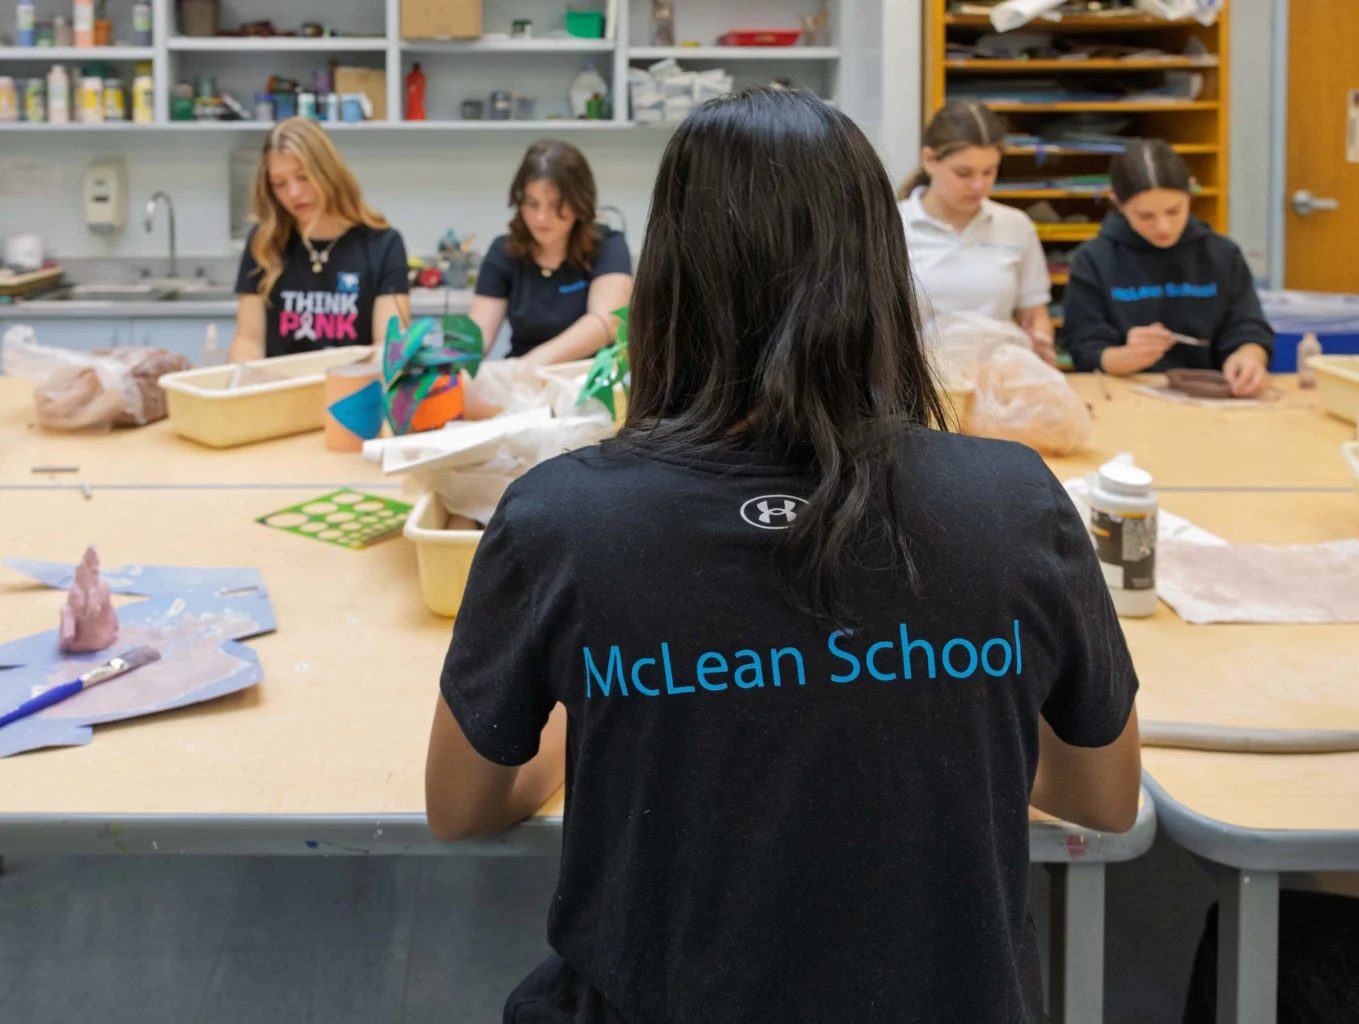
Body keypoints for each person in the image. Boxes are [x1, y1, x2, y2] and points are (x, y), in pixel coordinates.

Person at [426, 88, 1141, 1024]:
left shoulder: (562, 520)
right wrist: (938, 701)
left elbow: (460, 806)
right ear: (881, 266)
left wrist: (598, 712)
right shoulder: (1010, 503)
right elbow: (1104, 796)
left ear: (670, 277)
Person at [1064, 139, 1273, 396]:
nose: (1163, 227)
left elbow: (1248, 327)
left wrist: (1249, 356)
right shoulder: (1094, 259)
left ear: (1191, 191)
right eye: (1146, 216)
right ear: (1116, 202)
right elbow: (1084, 349)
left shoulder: (1222, 254)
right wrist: (1127, 356)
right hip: (1125, 398)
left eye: (1174, 210)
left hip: (1213, 398)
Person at [230, 118, 409, 362]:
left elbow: (389, 347)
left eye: (303, 177)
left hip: (354, 394)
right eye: (279, 184)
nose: (293, 193)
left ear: (329, 173)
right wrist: (244, 371)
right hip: (281, 393)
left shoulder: (383, 245)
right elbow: (248, 340)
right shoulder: (263, 242)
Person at [898, 101, 1056, 365]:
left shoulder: (1016, 226)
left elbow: (1034, 314)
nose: (978, 185)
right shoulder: (893, 225)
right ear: (929, 160)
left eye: (989, 171)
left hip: (998, 378)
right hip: (917, 380)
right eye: (963, 173)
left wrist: (1040, 337)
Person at [469, 140, 634, 365]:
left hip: (588, 383)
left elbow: (608, 322)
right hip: (522, 386)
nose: (541, 218)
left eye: (556, 205)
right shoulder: (503, 251)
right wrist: (448, 360)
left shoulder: (608, 245)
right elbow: (477, 337)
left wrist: (525, 367)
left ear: (580, 202)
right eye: (532, 203)